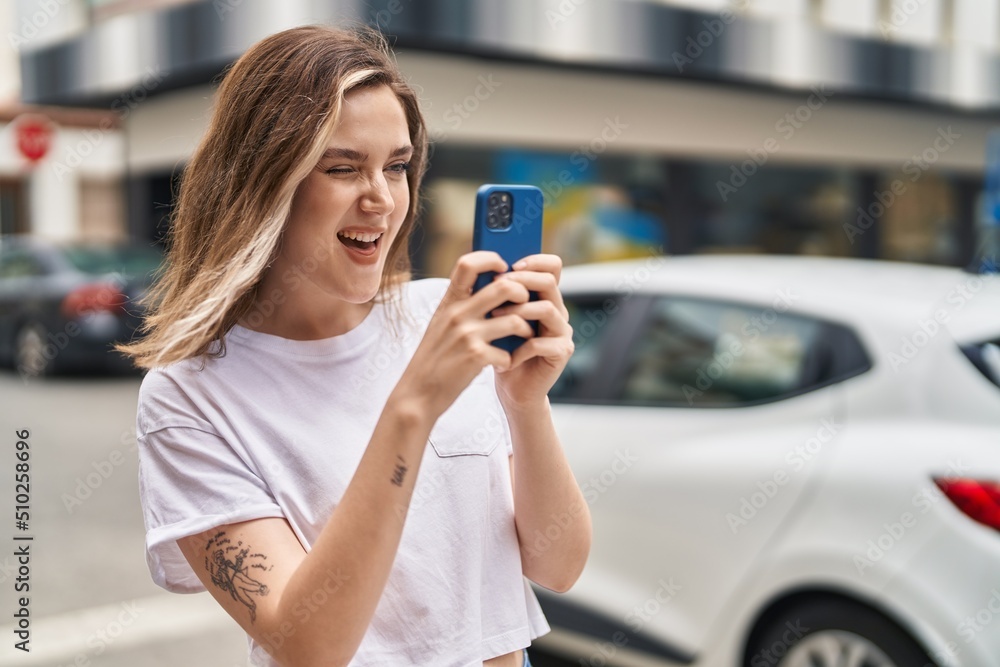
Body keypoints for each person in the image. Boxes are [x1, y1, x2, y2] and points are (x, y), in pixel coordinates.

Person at [119, 24, 591, 667]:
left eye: (397, 166)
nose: (382, 199)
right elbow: (308, 644)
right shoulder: (189, 399)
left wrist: (525, 403)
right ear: (263, 183)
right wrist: (415, 405)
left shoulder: (441, 315)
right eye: (343, 168)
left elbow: (558, 565)